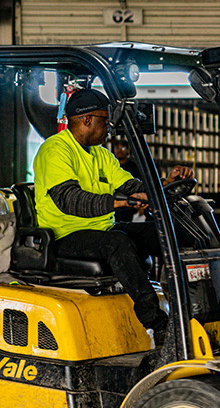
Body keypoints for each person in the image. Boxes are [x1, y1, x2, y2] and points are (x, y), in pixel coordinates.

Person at [33, 88, 193, 339]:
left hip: (101, 230)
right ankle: (158, 325)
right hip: (64, 236)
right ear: (87, 119)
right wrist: (121, 203)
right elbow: (70, 200)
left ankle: (193, 310)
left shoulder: (101, 155)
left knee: (169, 231)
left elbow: (132, 186)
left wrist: (165, 183)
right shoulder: (55, 150)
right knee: (117, 242)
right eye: (105, 121)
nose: (109, 128)